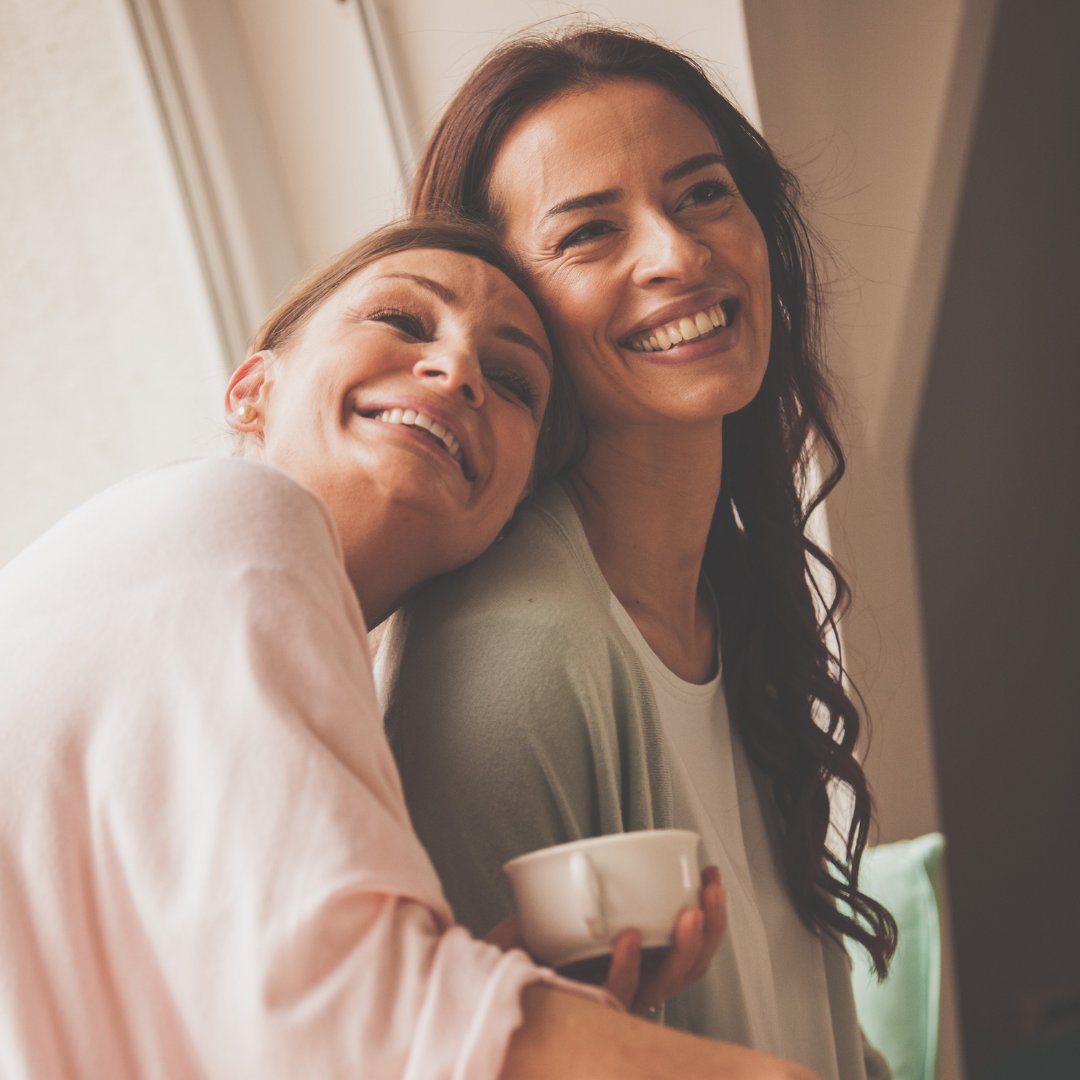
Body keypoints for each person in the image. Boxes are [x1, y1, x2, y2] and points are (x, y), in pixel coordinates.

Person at [0, 216, 819, 1080]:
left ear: (510, 509)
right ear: (252, 391)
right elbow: (348, 1011)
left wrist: (497, 983)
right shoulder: (232, 516)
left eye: (511, 382)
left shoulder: (275, 668)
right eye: (401, 321)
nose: (458, 369)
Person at [376, 27, 898, 1080]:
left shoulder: (728, 590)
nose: (676, 253)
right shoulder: (504, 663)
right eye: (589, 233)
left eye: (702, 194)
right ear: (506, 311)